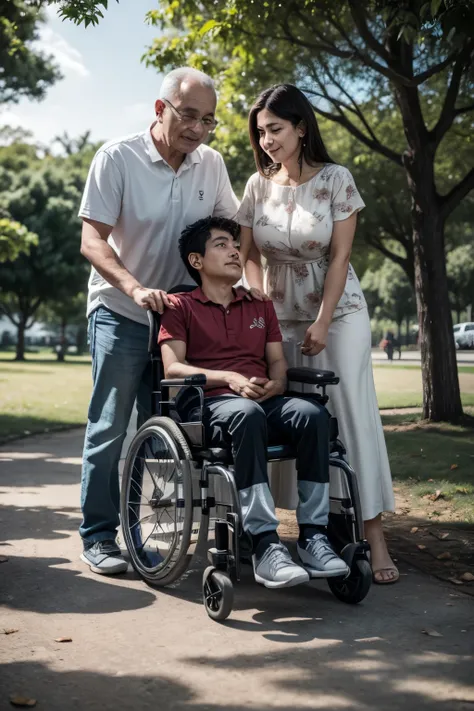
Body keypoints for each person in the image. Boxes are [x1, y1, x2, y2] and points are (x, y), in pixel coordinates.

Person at [78, 67, 240, 575]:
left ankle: (148, 534)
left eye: (208, 120)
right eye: (189, 115)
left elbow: (229, 230)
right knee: (110, 427)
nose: (197, 129)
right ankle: (99, 535)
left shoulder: (210, 164)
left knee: (171, 428)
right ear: (160, 109)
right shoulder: (117, 157)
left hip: (182, 318)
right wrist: (132, 287)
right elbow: (92, 240)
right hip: (121, 311)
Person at [237, 84, 398, 585]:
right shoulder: (256, 186)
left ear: (302, 127)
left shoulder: (336, 180)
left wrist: (324, 321)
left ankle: (374, 536)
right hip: (275, 313)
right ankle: (310, 531)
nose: (266, 140)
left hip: (338, 310)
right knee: (295, 415)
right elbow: (248, 257)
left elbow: (341, 257)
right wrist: (261, 314)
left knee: (347, 411)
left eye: (276, 129)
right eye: (261, 132)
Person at [158, 216, 350, 588]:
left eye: (235, 244)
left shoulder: (259, 306)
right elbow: (173, 367)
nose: (234, 251)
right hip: (208, 404)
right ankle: (264, 543)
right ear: (196, 261)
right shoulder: (180, 306)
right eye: (221, 245)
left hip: (260, 400)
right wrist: (229, 378)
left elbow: (277, 361)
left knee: (312, 414)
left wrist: (277, 383)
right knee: (245, 414)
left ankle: (313, 536)